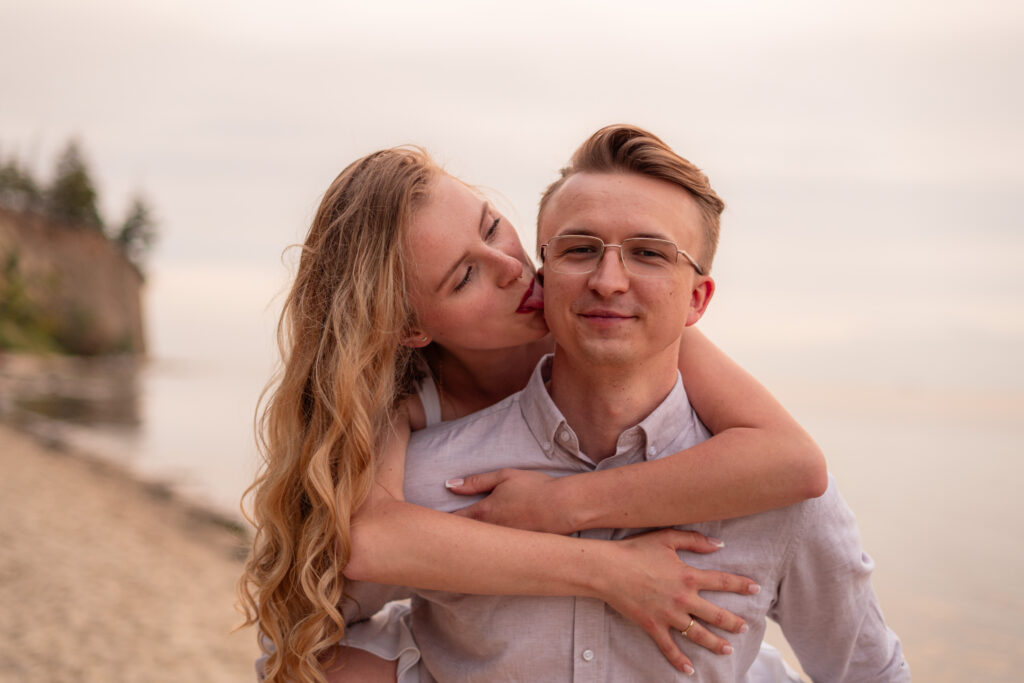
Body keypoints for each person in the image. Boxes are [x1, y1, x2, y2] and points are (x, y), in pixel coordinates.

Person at [239, 133, 829, 683]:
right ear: (411, 327)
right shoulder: (404, 395)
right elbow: (373, 540)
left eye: (493, 227)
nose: (513, 269)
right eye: (465, 276)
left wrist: (562, 503)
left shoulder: (602, 325)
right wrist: (611, 570)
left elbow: (793, 463)